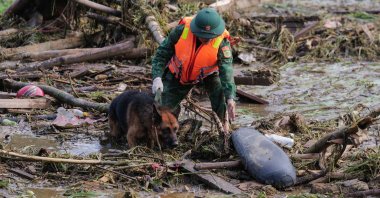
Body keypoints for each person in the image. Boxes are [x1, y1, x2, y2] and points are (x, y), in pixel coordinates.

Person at [151, 8, 236, 131]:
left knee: (220, 94)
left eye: (209, 37)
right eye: (203, 37)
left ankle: (224, 128)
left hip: (208, 75)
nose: (206, 40)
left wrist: (230, 97)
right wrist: (157, 77)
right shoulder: (181, 31)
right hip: (179, 75)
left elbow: (226, 70)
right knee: (161, 110)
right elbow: (161, 54)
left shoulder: (222, 42)